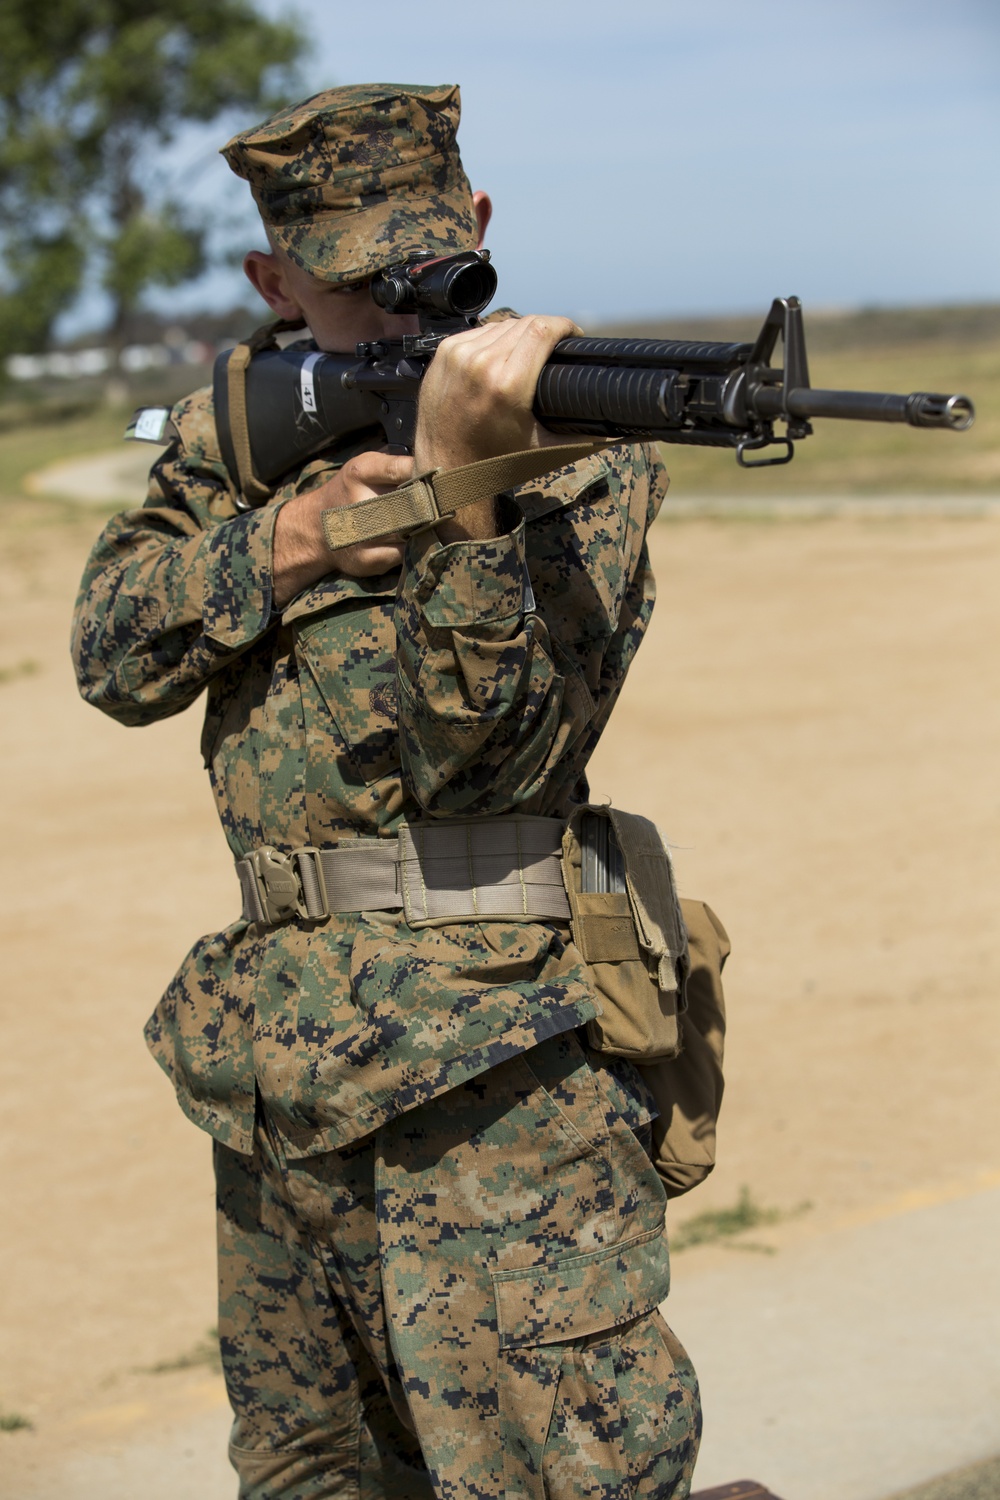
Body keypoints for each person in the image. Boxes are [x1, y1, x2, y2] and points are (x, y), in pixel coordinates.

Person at [72, 83, 706, 1499]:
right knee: (309, 1477)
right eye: (358, 284)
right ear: (274, 280)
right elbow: (111, 656)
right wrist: (288, 545)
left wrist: (462, 503)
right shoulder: (238, 437)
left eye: (433, 265)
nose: (408, 308)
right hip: (273, 1075)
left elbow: (487, 761)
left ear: (475, 229)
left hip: (491, 1084)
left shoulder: (575, 447)